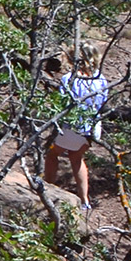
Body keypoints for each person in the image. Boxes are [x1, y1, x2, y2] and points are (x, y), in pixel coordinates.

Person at [44, 43, 109, 210]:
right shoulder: (101, 79)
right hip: (92, 128)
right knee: (76, 157)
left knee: (52, 154)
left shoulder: (69, 79)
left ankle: (47, 191)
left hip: (73, 126)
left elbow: (61, 103)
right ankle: (84, 201)